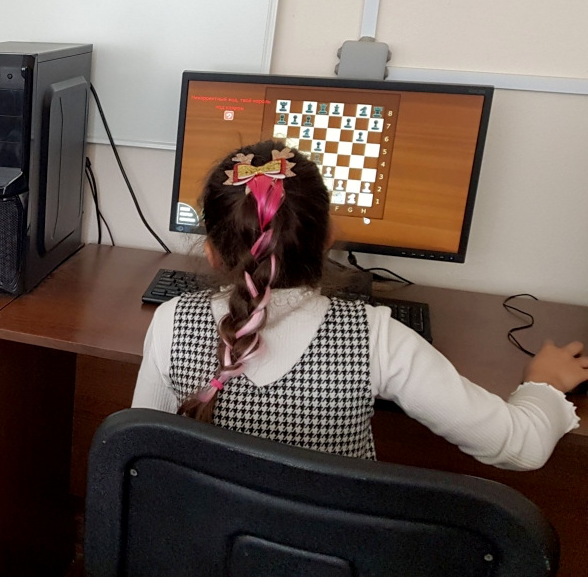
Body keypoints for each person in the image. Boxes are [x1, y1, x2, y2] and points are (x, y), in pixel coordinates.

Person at [132, 140, 586, 470]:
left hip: (205, 549)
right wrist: (543, 385)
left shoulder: (172, 322)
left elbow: (138, 453)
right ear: (329, 237)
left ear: (211, 253)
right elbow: (520, 447)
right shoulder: (376, 338)